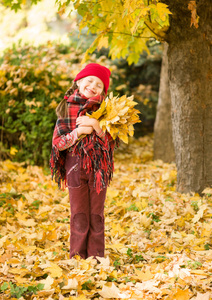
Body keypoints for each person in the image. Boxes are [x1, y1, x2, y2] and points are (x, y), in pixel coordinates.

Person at [50, 63, 118, 259]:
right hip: (75, 168)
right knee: (79, 214)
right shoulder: (67, 109)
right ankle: (77, 258)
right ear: (79, 81)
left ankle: (96, 258)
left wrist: (96, 125)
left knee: (96, 214)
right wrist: (78, 132)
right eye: (89, 80)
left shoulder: (108, 112)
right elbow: (58, 144)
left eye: (99, 85)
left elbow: (112, 143)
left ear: (103, 91)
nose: (93, 86)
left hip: (99, 169)